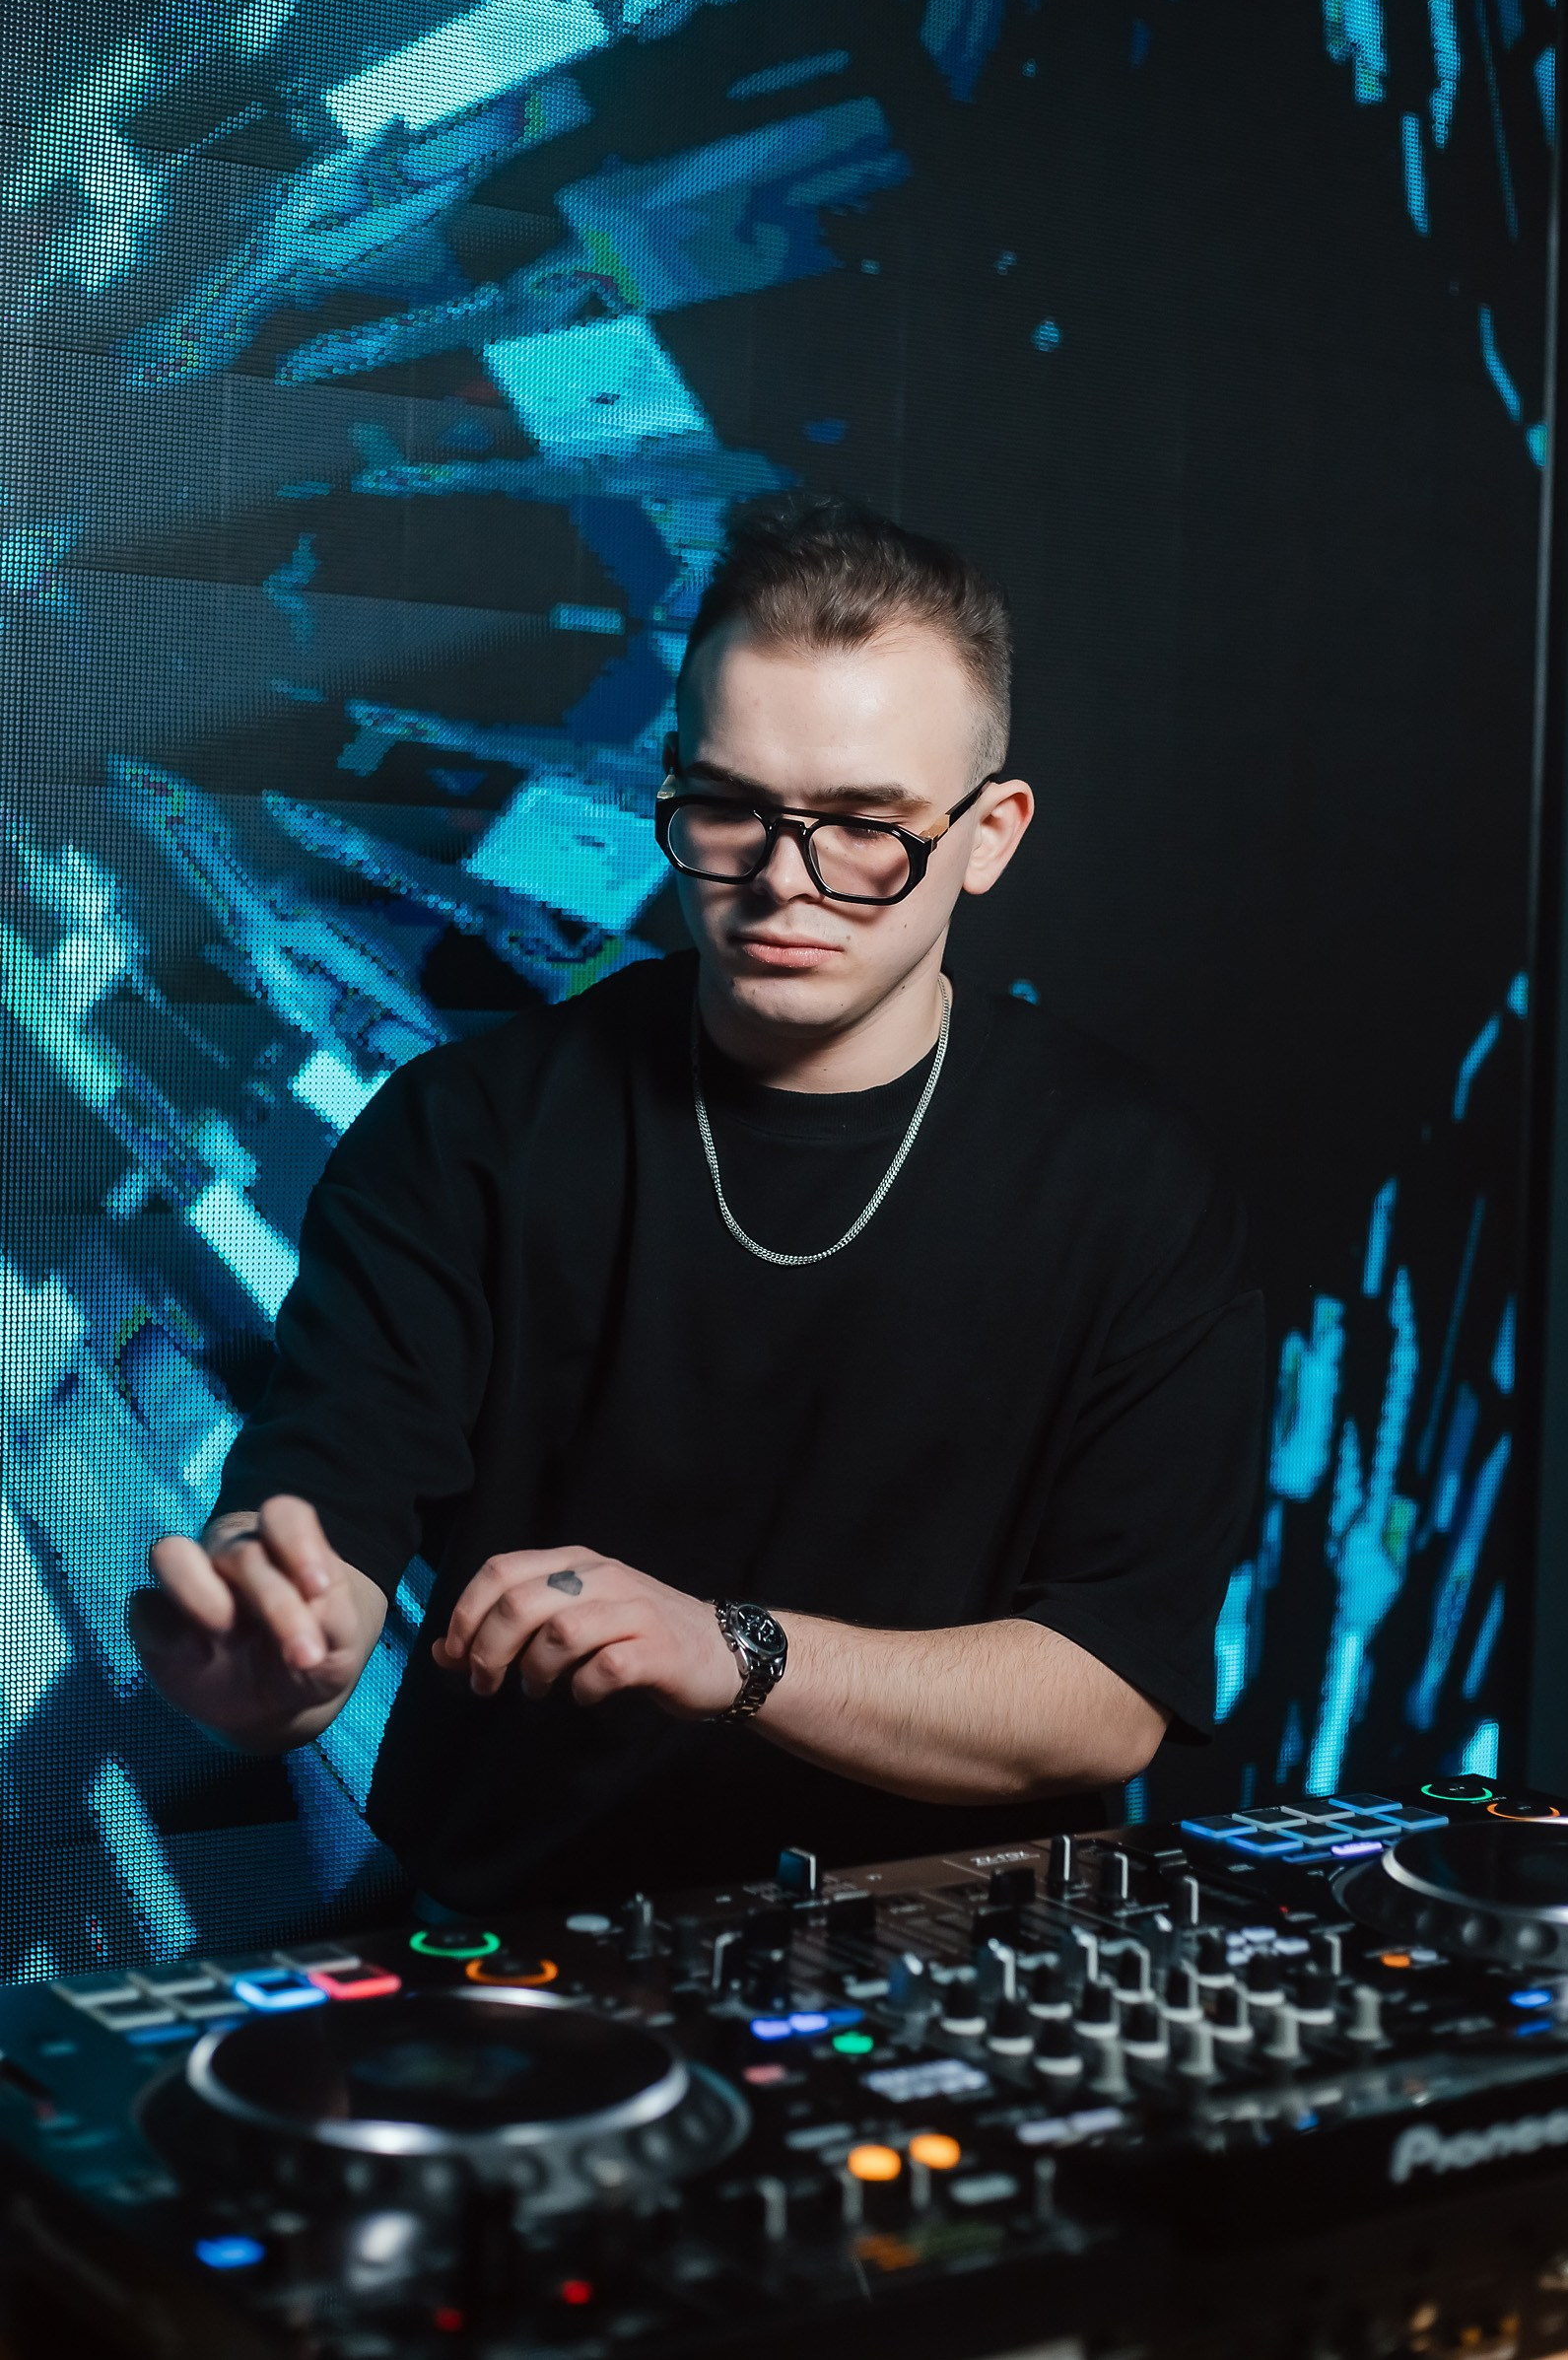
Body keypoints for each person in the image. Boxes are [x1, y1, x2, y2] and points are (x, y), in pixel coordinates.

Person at [129, 498, 1264, 1909]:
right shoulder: (460, 1133)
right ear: (668, 786)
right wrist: (276, 1656)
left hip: (966, 1960)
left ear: (990, 834)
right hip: (521, 1950)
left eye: (865, 827)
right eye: (730, 808)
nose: (783, 883)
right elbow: (329, 1529)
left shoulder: (1130, 1179)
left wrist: (736, 1649)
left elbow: (1107, 1696)